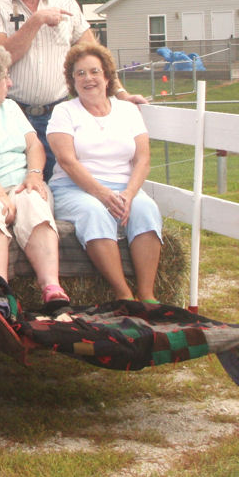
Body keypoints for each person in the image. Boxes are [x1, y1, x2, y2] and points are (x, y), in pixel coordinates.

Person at [0, 0, 145, 180]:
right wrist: (36, 21)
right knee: (17, 182)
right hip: (13, 112)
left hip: (58, 114)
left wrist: (120, 93)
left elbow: (94, 56)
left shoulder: (65, 2)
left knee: (60, 180)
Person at [47, 42, 162, 302]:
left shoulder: (127, 110)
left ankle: (147, 295)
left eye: (94, 71)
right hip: (74, 188)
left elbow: (143, 159)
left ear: (107, 76)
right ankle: (124, 295)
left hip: (124, 186)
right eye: (80, 73)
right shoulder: (64, 111)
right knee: (94, 212)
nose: (88, 78)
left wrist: (129, 194)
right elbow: (67, 161)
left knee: (146, 209)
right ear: (72, 81)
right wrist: (102, 194)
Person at [0, 42, 68, 304]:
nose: (10, 82)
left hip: (20, 184)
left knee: (32, 198)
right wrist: (1, 196)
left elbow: (34, 145)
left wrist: (35, 174)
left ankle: (51, 286)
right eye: (6, 76)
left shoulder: (11, 108)